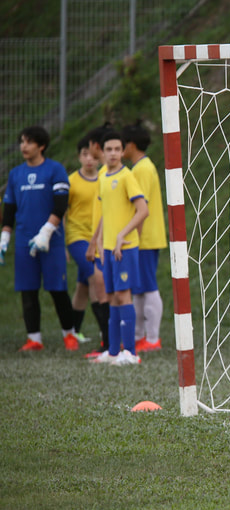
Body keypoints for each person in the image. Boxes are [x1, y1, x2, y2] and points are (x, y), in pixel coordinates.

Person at [0, 126, 79, 351]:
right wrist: (5, 236)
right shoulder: (15, 174)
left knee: (57, 289)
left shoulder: (55, 169)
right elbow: (9, 208)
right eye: (22, 142)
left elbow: (61, 205)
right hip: (24, 241)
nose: (23, 146)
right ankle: (34, 339)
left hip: (51, 241)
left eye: (29, 142)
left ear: (41, 146)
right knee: (28, 290)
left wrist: (46, 232)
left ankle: (70, 335)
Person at [88, 131, 149, 365]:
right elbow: (106, 212)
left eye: (117, 149)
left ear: (123, 152)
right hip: (108, 248)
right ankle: (113, 352)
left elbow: (143, 210)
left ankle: (131, 353)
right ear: (102, 152)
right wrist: (99, 240)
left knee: (124, 296)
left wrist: (123, 234)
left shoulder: (127, 177)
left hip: (125, 247)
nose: (113, 153)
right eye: (109, 149)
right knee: (111, 296)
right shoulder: (103, 176)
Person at [122, 121, 167, 352]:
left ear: (130, 145)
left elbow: (141, 208)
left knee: (148, 286)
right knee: (138, 288)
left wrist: (134, 237)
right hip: (144, 237)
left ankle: (153, 339)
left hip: (145, 238)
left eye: (122, 144)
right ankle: (140, 336)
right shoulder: (142, 167)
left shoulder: (141, 170)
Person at [65, 136, 107, 348]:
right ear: (79, 157)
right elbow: (62, 213)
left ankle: (74, 331)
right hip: (77, 238)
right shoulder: (71, 181)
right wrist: (63, 245)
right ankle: (105, 331)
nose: (89, 159)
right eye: (84, 155)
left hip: (98, 238)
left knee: (82, 286)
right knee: (95, 277)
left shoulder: (105, 178)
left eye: (93, 155)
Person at [81, 123, 115, 357]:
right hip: (104, 241)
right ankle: (109, 344)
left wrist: (95, 242)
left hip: (107, 243)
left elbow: (106, 213)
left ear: (95, 146)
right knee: (102, 292)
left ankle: (111, 345)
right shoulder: (105, 173)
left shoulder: (106, 175)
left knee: (106, 294)